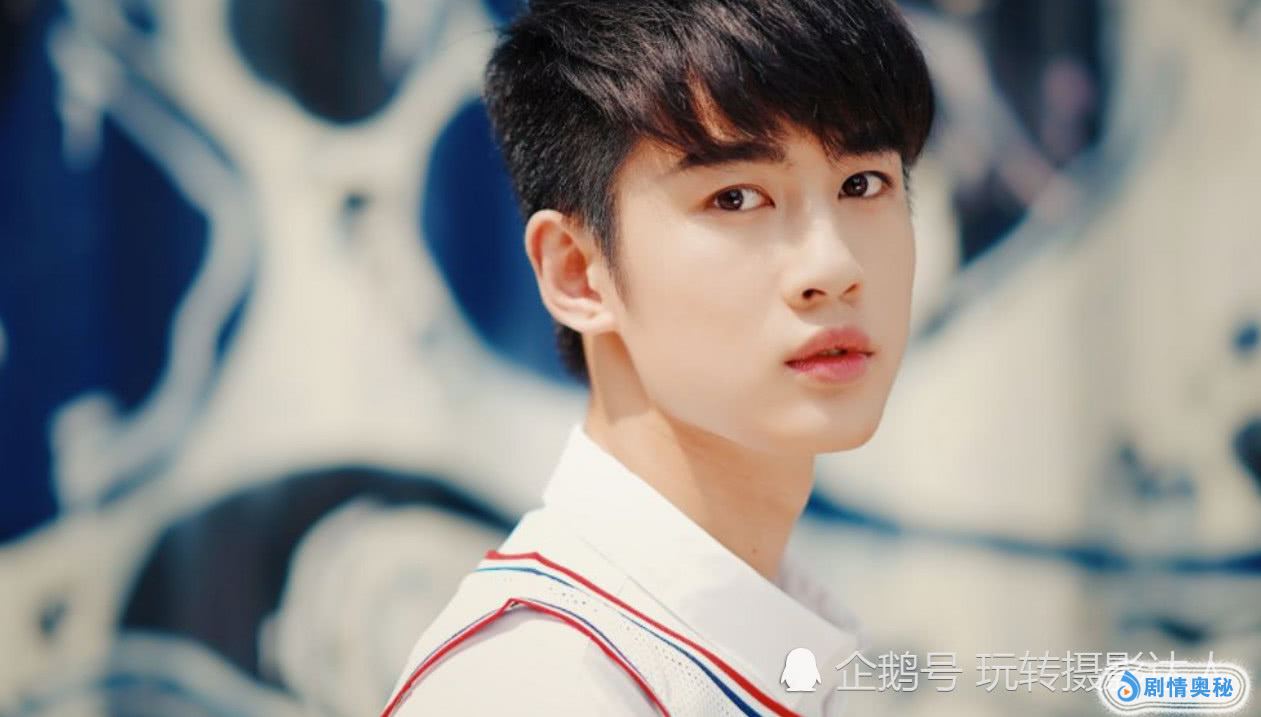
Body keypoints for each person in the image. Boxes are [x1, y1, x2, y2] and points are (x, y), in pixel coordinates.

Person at [382, 0, 935, 714]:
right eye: (736, 197)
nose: (832, 266)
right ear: (577, 272)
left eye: (862, 184)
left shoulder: (793, 632)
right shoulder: (534, 685)